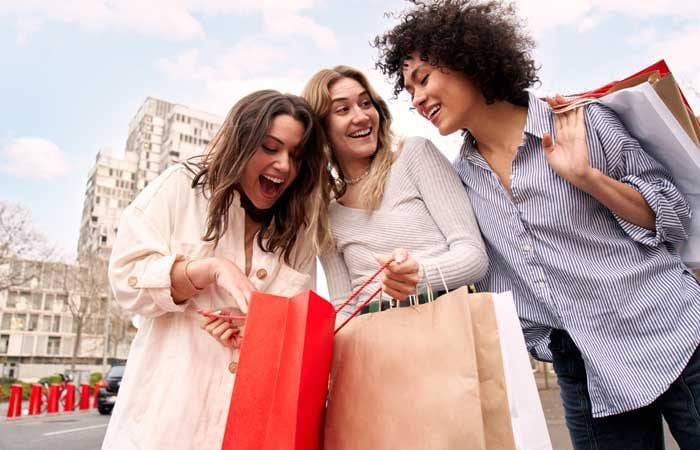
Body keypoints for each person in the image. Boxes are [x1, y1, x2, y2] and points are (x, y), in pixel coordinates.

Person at [374, 1, 700, 449]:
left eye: (424, 78)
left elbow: (674, 215)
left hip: (670, 332)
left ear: (468, 61)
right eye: (408, 89)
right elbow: (467, 260)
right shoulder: (461, 180)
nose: (416, 99)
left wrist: (589, 178)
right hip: (586, 371)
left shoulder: (579, 122)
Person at [102, 90, 331, 450]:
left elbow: (296, 330)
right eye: (270, 148)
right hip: (167, 422)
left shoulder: (298, 231)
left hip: (251, 426)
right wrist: (206, 271)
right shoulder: (181, 187)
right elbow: (126, 281)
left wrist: (256, 330)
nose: (284, 166)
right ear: (241, 142)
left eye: (296, 155)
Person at [301, 65, 488, 321]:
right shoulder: (325, 212)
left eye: (366, 104)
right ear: (321, 128)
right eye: (343, 109)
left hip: (451, 326)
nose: (361, 116)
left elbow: (474, 256)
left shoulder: (415, 155)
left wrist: (416, 276)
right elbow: (343, 305)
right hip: (378, 345)